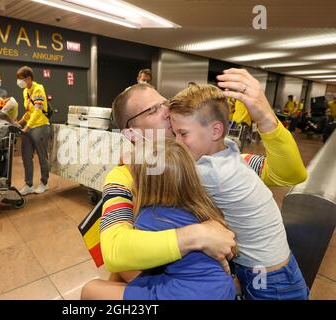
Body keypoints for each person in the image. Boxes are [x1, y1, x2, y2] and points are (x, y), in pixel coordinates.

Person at [96, 68, 307, 281]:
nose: (167, 111)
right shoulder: (125, 175)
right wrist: (197, 236)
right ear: (131, 134)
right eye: (152, 110)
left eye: (165, 103)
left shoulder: (215, 160)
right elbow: (114, 250)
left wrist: (265, 118)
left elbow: (289, 175)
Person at [169, 84, 308, 300]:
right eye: (174, 133)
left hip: (270, 280)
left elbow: (165, 184)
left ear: (216, 131)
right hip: (274, 268)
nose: (177, 142)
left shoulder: (210, 172)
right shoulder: (229, 148)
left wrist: (132, 163)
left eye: (183, 133)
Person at [82, 139, 237, 300]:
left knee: (90, 289)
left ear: (141, 185)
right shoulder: (199, 204)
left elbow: (122, 251)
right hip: (221, 289)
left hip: (183, 294)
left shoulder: (149, 218)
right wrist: (134, 162)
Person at [16, 66, 50, 195]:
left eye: (21, 79)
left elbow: (37, 111)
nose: (19, 82)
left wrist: (27, 127)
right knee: (26, 156)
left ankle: (44, 183)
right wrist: (19, 123)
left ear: (29, 78)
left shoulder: (38, 89)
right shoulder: (25, 91)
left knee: (42, 157)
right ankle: (28, 184)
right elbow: (29, 112)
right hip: (29, 128)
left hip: (40, 126)